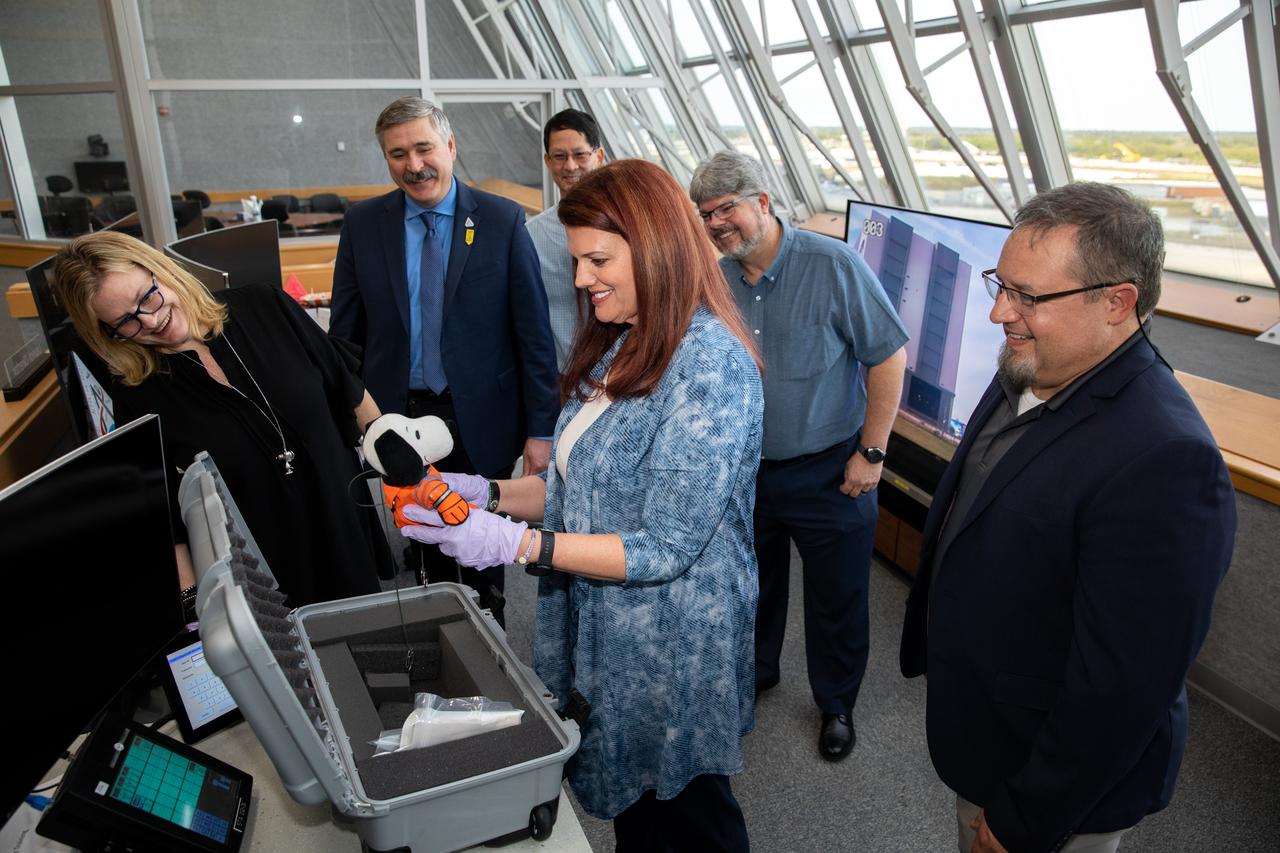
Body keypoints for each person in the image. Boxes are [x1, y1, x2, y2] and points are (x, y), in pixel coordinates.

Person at [401, 159, 763, 851]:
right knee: (641, 820)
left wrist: (518, 545)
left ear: (657, 247)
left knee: (684, 820)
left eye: (597, 259)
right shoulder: (624, 343)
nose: (579, 280)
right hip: (609, 627)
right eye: (576, 261)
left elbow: (664, 544)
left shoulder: (710, 367)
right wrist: (489, 494)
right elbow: (579, 487)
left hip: (670, 648)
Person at [899, 182, 1236, 853]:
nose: (999, 312)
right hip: (986, 727)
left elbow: (1122, 688)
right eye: (1001, 284)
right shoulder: (1035, 361)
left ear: (1117, 302)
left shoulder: (1166, 459)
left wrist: (1026, 815)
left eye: (1027, 295)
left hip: (1051, 790)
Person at [690, 150, 908, 761]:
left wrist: (873, 452)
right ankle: (759, 673)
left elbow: (888, 356)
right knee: (750, 585)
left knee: (837, 596)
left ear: (762, 202)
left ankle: (836, 702)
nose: (716, 225)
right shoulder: (717, 278)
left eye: (726, 209)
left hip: (832, 470)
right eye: (705, 215)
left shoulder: (833, 264)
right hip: (746, 471)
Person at [53, 230, 389, 608]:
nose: (149, 320)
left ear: (161, 272)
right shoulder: (136, 391)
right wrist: (191, 600)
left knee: (366, 639)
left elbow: (350, 390)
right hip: (265, 569)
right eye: (126, 322)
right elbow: (166, 510)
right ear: (108, 334)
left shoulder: (266, 305)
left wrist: (398, 461)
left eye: (147, 297)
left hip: (341, 521)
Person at [330, 96, 559, 618]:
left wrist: (541, 430)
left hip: (482, 419)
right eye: (397, 154)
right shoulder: (364, 224)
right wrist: (350, 419)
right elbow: (346, 336)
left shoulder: (501, 221)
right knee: (424, 545)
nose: (413, 165)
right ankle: (444, 651)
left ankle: (491, 644)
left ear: (451, 147)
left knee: (483, 550)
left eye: (424, 148)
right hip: (397, 418)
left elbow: (534, 336)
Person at [525, 108, 606, 370]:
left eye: (580, 155)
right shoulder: (531, 235)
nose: (570, 166)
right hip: (563, 382)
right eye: (560, 157)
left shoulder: (630, 225)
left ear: (599, 156)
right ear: (548, 162)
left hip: (630, 379)